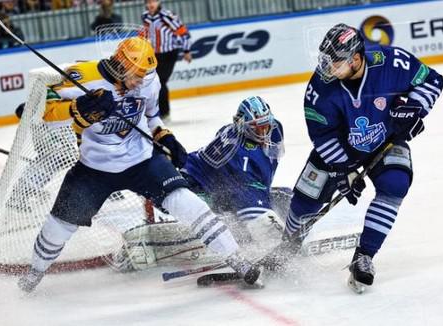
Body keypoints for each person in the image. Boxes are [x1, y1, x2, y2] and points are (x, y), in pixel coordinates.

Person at [17, 36, 260, 292]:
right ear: (121, 67)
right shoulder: (81, 77)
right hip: (94, 169)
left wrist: (166, 137)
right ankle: (34, 274)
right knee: (59, 224)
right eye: (137, 75)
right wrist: (79, 109)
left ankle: (238, 260)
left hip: (143, 161)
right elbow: (33, 113)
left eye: (145, 75)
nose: (141, 81)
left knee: (190, 203)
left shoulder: (149, 79)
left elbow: (152, 116)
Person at [276, 24, 443, 292]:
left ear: (355, 59)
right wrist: (343, 169)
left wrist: (415, 109)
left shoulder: (391, 63)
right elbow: (322, 135)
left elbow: (432, 80)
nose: (326, 67)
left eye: (334, 61)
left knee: (395, 185)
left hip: (386, 141)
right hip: (340, 149)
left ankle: (364, 256)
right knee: (306, 200)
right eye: (324, 59)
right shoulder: (320, 87)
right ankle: (288, 243)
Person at [181, 96, 289, 239]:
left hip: (215, 178)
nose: (263, 133)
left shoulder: (274, 129)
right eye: (257, 128)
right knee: (223, 214)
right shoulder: (240, 155)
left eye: (265, 126)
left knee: (286, 196)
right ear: (242, 125)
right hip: (196, 185)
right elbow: (245, 192)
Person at [141, 0, 192, 120]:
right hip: (154, 55)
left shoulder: (167, 16)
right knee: (153, 82)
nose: (150, 5)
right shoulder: (145, 16)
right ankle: (156, 112)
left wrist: (186, 51)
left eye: (153, 1)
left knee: (161, 81)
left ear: (159, 2)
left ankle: (164, 113)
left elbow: (183, 32)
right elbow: (145, 32)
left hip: (169, 53)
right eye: (148, 2)